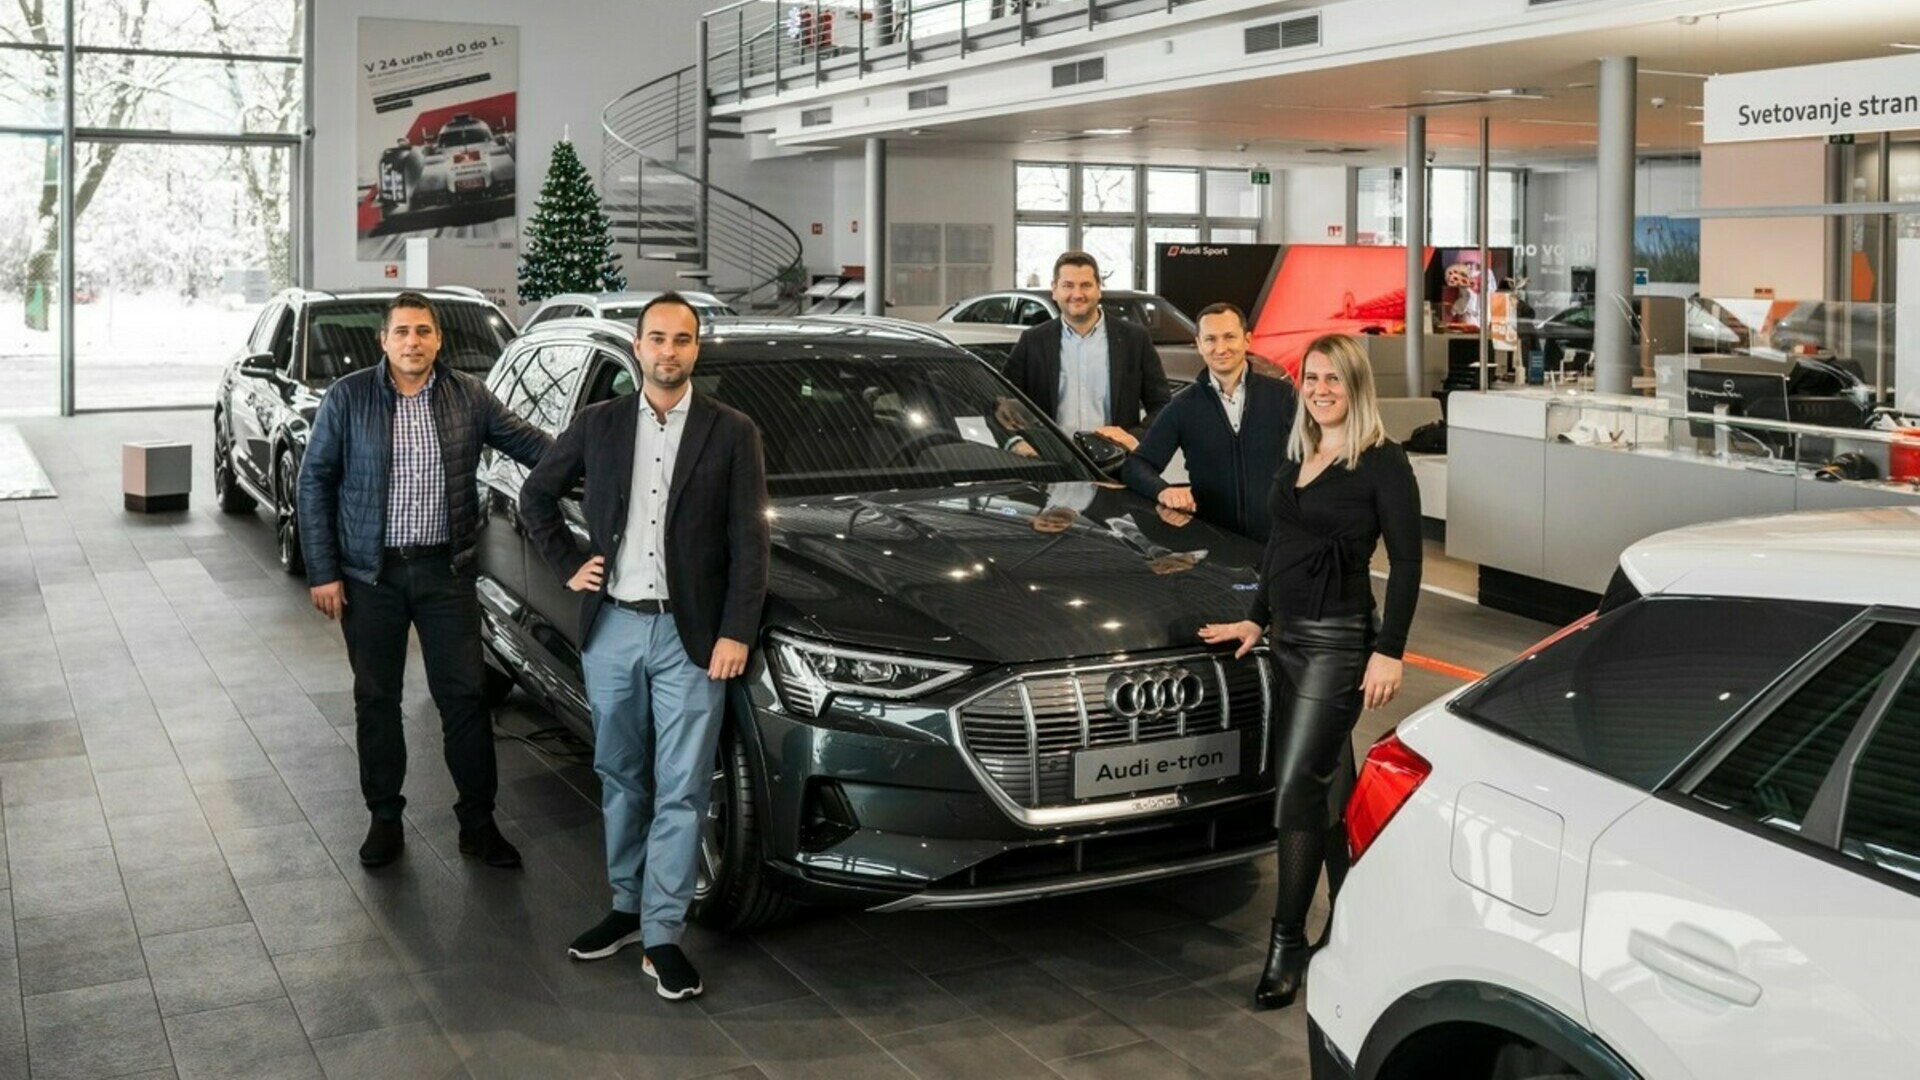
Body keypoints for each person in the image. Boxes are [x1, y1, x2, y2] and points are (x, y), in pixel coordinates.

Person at [518, 293, 770, 1002]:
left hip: (693, 638)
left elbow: (750, 542)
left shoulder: (732, 431)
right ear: (637, 347)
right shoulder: (598, 424)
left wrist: (736, 630)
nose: (668, 351)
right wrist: (569, 563)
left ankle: (662, 935)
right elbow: (535, 496)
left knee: (682, 787)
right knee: (620, 774)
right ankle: (626, 907)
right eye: (657, 338)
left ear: (697, 349)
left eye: (681, 340)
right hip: (613, 630)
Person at [1197, 332, 1422, 1011]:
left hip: (1338, 644)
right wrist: (1256, 620)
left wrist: (1390, 649)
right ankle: (1357, 928)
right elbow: (1280, 545)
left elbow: (1408, 563)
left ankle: (1287, 942)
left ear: (1356, 386)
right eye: (1313, 378)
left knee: (1296, 789)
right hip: (1287, 640)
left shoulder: (1383, 462)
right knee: (1326, 793)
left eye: (1334, 379)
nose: (1322, 390)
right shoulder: (1301, 451)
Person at [297, 291, 552, 871]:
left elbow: (531, 444)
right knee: (377, 698)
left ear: (438, 340)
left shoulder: (469, 396)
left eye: (423, 331)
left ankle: (478, 824)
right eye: (402, 331)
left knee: (464, 698)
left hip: (446, 572)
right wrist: (324, 570)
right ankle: (385, 818)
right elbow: (315, 483)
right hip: (371, 576)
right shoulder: (349, 397)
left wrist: (601, 452)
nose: (413, 341)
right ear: (384, 340)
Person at [1122, 302, 1296, 541]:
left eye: (1229, 337)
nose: (1220, 348)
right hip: (1214, 543)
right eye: (1211, 339)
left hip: (1280, 542)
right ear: (1199, 345)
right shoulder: (1183, 406)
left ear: (1247, 340)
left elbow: (1318, 459)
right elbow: (1136, 466)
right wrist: (1163, 491)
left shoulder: (1284, 396)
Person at [1001, 251, 1171, 452]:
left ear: (1099, 288)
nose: (1077, 294)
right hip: (1050, 459)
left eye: (1086, 285)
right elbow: (999, 402)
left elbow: (1162, 405)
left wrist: (1133, 438)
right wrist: (1015, 441)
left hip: (1116, 460)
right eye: (1068, 285)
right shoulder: (1032, 342)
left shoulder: (1134, 339)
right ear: (1054, 290)